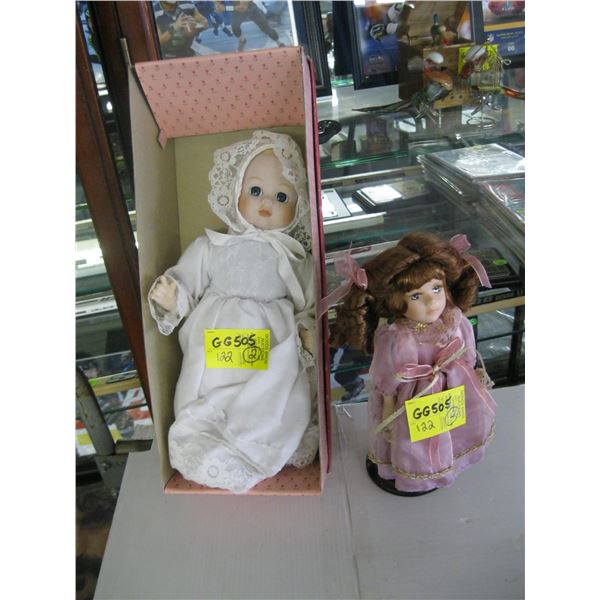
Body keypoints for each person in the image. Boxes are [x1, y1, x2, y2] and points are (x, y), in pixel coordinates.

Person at [148, 130, 318, 494]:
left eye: (282, 196)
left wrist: (307, 330)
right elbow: (189, 280)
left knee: (274, 392)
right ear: (235, 191)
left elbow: (309, 302)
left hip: (271, 342)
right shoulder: (213, 245)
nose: (266, 202)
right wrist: (174, 297)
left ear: (299, 205)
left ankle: (257, 440)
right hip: (218, 340)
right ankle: (209, 440)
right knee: (208, 385)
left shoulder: (294, 257)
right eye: (255, 190)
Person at [330, 232, 496, 496]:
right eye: (417, 296)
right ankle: (409, 475)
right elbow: (387, 377)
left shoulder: (454, 319)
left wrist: (473, 376)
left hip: (452, 388)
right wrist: (388, 408)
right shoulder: (398, 337)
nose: (432, 301)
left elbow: (467, 352)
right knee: (408, 441)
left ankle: (445, 464)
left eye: (436, 288)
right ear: (397, 302)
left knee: (450, 432)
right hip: (411, 398)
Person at [215, 1, 284, 52]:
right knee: (235, 28)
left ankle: (279, 43)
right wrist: (217, 4)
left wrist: (226, 8)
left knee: (266, 28)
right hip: (238, 10)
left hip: (251, 9)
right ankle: (242, 40)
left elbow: (243, 8)